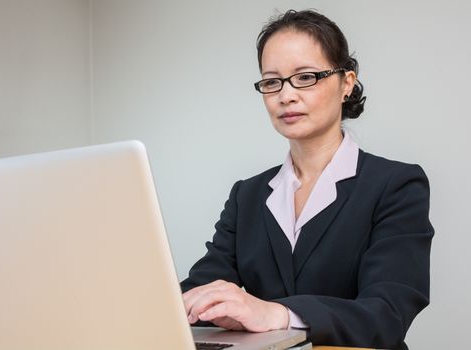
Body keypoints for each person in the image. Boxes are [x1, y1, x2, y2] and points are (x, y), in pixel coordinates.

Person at [181, 9, 433, 350]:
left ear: (347, 82)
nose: (286, 95)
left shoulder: (396, 185)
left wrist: (278, 314)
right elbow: (200, 288)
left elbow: (387, 314)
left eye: (306, 77)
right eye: (272, 81)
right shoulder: (247, 196)